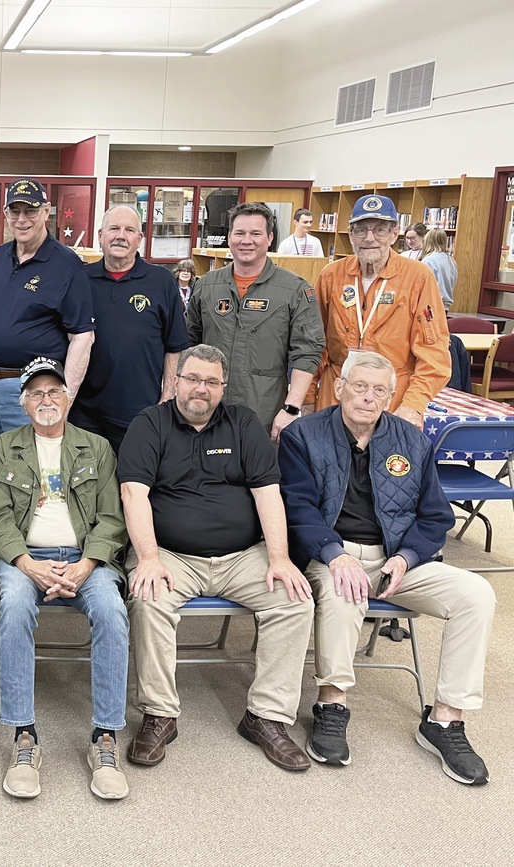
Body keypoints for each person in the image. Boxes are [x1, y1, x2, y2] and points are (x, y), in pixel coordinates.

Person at [278, 351, 495, 785]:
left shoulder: (412, 441)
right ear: (339, 388)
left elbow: (435, 517)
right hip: (333, 555)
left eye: (380, 390)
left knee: (477, 595)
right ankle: (331, 703)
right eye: (359, 386)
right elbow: (296, 508)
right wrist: (334, 555)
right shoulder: (303, 435)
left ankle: (444, 720)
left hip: (398, 558)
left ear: (391, 396)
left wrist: (406, 558)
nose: (368, 397)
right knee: (344, 591)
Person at [118, 344, 314, 772]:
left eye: (211, 382)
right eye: (192, 379)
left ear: (223, 387)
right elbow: (134, 493)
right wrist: (147, 557)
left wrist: (279, 557)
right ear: (175, 381)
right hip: (170, 555)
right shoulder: (149, 424)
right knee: (148, 599)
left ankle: (267, 716)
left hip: (243, 555)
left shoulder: (243, 423)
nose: (200, 390)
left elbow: (267, 494)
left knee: (294, 598)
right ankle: (159, 714)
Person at [0, 357, 130, 801]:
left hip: (85, 560)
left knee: (111, 609)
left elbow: (111, 518)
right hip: (23, 560)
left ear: (68, 399)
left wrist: (87, 565)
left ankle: (105, 738)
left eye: (54, 392)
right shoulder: (4, 447)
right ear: (24, 403)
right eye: (36, 394)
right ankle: (24, 737)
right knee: (13, 606)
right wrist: (29, 564)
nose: (46, 400)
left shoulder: (97, 447)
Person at [0, 178, 95, 485]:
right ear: (6, 213)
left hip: (31, 390)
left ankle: (26, 535)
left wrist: (64, 399)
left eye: (31, 210)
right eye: (15, 211)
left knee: (29, 476)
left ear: (47, 212)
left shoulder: (67, 265)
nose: (22, 219)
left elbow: (82, 337)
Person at [185, 202, 324, 441]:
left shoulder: (294, 290)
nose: (246, 240)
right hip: (206, 411)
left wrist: (291, 408)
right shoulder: (206, 286)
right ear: (229, 237)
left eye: (256, 233)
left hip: (265, 415)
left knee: (258, 476)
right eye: (239, 233)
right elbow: (188, 343)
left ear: (270, 238)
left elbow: (307, 352)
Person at [311, 195, 450, 427]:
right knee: (325, 462)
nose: (369, 238)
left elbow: (433, 351)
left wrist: (414, 404)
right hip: (335, 393)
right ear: (350, 233)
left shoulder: (418, 277)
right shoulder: (330, 275)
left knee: (385, 462)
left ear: (395, 234)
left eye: (380, 230)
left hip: (392, 399)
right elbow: (313, 343)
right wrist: (306, 398)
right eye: (361, 230)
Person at [73, 205, 188, 453]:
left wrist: (167, 398)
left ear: (139, 239)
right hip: (84, 414)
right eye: (114, 229)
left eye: (129, 230)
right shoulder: (80, 279)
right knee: (85, 488)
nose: (120, 236)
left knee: (132, 486)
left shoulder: (161, 282)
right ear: (100, 236)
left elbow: (175, 346)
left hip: (139, 413)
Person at [418, 228, 458, 308]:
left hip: (430, 305)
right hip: (445, 306)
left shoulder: (428, 260)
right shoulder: (451, 261)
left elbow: (421, 285)